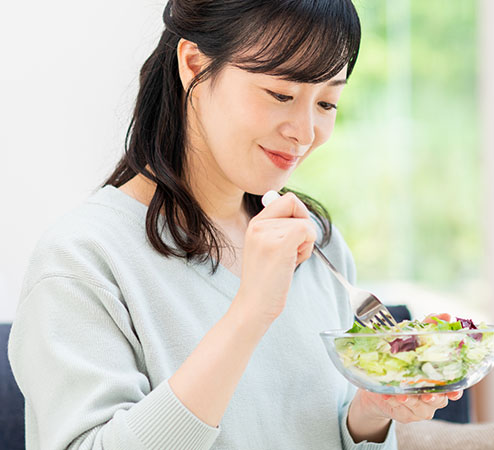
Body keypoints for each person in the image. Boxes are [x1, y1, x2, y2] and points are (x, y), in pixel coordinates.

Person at [8, 1, 463, 449]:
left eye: (327, 102)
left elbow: (317, 427)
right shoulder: (82, 259)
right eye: (281, 94)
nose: (305, 133)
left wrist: (368, 415)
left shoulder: (317, 245)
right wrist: (248, 313)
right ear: (194, 64)